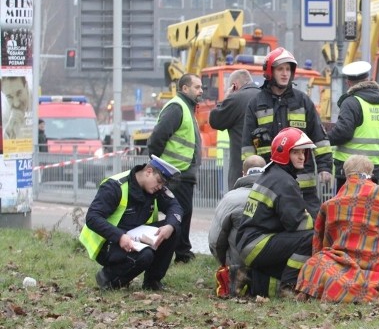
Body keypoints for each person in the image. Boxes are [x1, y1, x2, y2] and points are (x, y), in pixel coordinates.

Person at [295, 155, 379, 302]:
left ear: (345, 173)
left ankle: (344, 286)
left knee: (315, 263)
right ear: (371, 173)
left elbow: (320, 240)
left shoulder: (332, 204)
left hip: (343, 265)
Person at [241, 48, 332, 217]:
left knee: (314, 226)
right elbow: (247, 145)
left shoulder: (303, 101)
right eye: (280, 69)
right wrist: (250, 173)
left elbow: (319, 138)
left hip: (303, 186)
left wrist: (324, 167)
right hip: (270, 185)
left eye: (288, 69)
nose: (285, 74)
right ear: (270, 71)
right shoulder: (256, 103)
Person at [79, 155, 183, 291]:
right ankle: (108, 278)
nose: (160, 187)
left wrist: (169, 226)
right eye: (159, 182)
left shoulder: (155, 188)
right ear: (149, 171)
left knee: (173, 229)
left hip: (136, 237)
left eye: (163, 184)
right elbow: (92, 217)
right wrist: (120, 237)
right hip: (109, 243)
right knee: (146, 256)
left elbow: (176, 208)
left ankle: (152, 282)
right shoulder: (115, 186)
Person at [235, 128, 316, 297]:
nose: (302, 157)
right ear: (284, 154)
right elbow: (297, 224)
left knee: (287, 268)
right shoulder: (284, 181)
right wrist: (317, 222)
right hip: (258, 244)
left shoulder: (272, 174)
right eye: (296, 152)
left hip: (249, 244)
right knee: (310, 237)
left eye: (303, 152)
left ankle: (247, 277)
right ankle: (288, 287)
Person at [147, 73, 203, 263]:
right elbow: (157, 138)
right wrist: (159, 166)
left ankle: (182, 251)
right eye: (197, 87)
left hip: (182, 172)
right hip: (175, 173)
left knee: (183, 213)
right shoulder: (177, 107)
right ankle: (181, 253)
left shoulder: (187, 108)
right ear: (185, 88)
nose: (201, 91)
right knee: (180, 213)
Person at [327, 60, 379, 190]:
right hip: (372, 170)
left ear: (348, 82)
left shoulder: (351, 102)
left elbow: (343, 133)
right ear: (369, 79)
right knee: (369, 208)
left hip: (349, 170)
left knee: (346, 208)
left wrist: (324, 137)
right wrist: (378, 168)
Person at [208, 155, 266, 297]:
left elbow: (215, 240)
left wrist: (225, 262)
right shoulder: (276, 195)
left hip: (237, 265)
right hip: (268, 266)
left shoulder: (230, 198)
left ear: (243, 173)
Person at [209, 69, 260, 191]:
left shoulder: (236, 99)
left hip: (241, 170)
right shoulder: (266, 97)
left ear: (234, 86)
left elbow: (215, 120)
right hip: (266, 168)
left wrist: (226, 98)